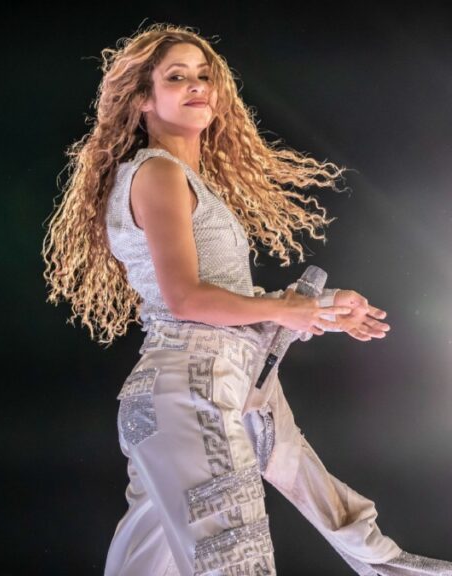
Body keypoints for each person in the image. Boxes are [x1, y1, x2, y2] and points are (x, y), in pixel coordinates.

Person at [42, 24, 451, 575]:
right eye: (177, 77)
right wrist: (290, 309)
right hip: (192, 389)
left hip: (210, 387)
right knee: (235, 564)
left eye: (204, 76)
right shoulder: (158, 173)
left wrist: (319, 309)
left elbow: (226, 304)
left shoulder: (183, 177)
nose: (197, 86)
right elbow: (186, 298)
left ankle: (392, 567)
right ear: (143, 98)